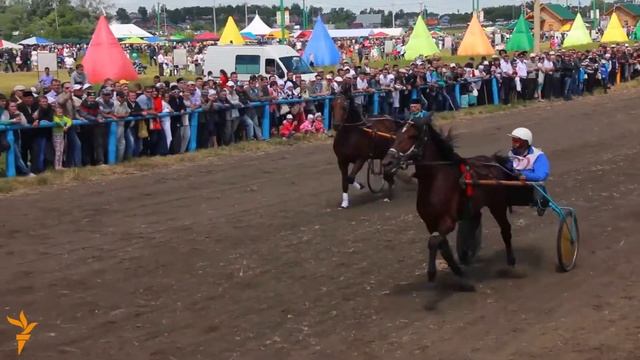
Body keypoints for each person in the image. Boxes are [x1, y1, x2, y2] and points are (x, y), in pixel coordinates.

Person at [507, 127, 550, 215]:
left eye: (516, 141)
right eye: (513, 140)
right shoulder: (511, 154)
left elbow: (541, 176)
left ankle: (542, 204)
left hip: (532, 189)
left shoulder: (538, 156)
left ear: (525, 142)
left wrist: (524, 175)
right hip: (514, 187)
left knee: (539, 185)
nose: (513, 143)